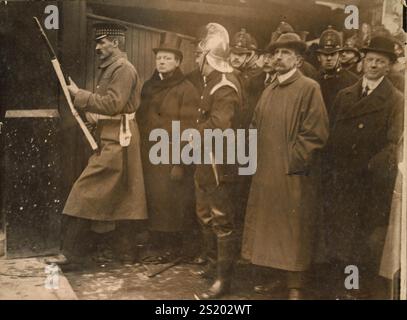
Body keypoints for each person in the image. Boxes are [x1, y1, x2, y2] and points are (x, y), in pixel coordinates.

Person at [241, 32, 329, 300]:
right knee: (269, 229)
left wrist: (292, 162)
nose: (278, 57)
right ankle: (275, 279)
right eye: (276, 53)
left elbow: (316, 134)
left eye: (286, 53)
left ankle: (295, 286)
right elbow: (254, 126)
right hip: (266, 173)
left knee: (293, 230)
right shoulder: (269, 89)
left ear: (298, 60)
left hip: (293, 176)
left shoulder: (309, 88)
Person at [62, 23, 147, 267]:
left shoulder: (122, 69)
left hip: (119, 139)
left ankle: (74, 255)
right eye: (97, 42)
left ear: (116, 43)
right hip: (114, 137)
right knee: (122, 195)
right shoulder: (113, 67)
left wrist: (80, 95)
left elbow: (112, 105)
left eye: (102, 42)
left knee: (85, 191)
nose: (97, 47)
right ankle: (125, 254)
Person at [324, 36, 403, 299]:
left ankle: (353, 291)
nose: (373, 65)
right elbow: (332, 135)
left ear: (389, 66)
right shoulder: (345, 95)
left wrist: (368, 169)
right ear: (363, 62)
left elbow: (393, 144)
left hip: (369, 183)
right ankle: (340, 288)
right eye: (370, 59)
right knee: (340, 237)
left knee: (362, 241)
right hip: (342, 179)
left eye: (381, 61)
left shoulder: (396, 101)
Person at [137, 32, 200, 263]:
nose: (161, 62)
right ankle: (157, 245)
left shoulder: (187, 89)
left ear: (178, 62)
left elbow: (188, 129)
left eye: (167, 58)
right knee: (154, 201)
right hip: (149, 154)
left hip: (172, 156)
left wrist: (179, 163)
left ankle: (172, 248)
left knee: (172, 205)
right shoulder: (149, 86)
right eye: (159, 58)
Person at [193, 23, 243, 299]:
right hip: (207, 159)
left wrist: (192, 135)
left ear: (208, 58)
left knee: (222, 221)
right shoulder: (211, 83)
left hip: (220, 162)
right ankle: (214, 267)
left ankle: (224, 281)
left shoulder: (223, 85)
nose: (197, 61)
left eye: (199, 57)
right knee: (206, 215)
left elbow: (219, 127)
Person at [316, 26, 358, 116]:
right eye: (325, 54)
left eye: (333, 54)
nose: (329, 58)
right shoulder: (313, 81)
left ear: (340, 55)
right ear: (318, 57)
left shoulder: (353, 81)